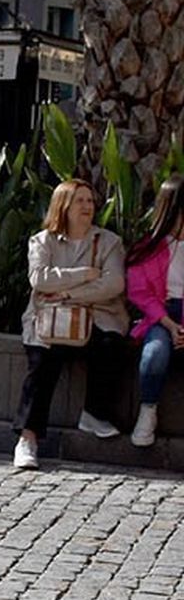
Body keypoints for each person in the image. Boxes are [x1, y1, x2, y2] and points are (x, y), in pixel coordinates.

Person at [13, 178, 127, 469]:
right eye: (80, 201)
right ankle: (27, 439)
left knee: (111, 345)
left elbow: (113, 282)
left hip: (96, 315)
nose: (87, 206)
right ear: (63, 206)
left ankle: (94, 412)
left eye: (90, 201)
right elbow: (40, 279)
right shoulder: (42, 241)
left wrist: (67, 293)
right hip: (49, 318)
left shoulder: (109, 242)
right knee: (43, 362)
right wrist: (85, 273)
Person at [124, 176, 184, 447]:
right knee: (154, 353)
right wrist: (170, 324)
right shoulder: (148, 248)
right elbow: (139, 292)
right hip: (160, 315)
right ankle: (147, 411)